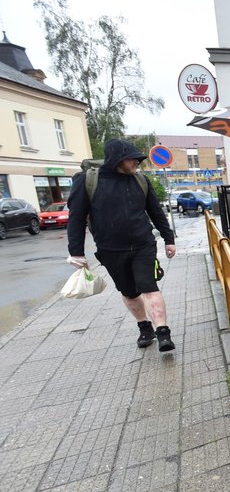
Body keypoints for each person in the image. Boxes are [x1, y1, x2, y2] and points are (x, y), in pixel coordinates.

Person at [66, 139, 178, 352]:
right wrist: (76, 252)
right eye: (133, 158)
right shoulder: (86, 181)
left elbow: (155, 212)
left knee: (148, 285)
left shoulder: (140, 180)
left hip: (143, 244)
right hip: (110, 249)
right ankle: (144, 328)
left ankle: (163, 333)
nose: (137, 162)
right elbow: (77, 217)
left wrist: (168, 238)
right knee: (128, 292)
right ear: (118, 158)